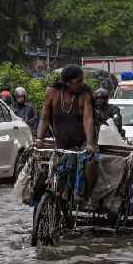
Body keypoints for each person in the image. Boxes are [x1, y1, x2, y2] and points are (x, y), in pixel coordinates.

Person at [35, 65, 97, 198]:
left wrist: (90, 144)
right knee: (44, 170)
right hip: (61, 144)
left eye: (82, 80)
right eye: (78, 81)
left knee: (91, 163)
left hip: (83, 143)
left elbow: (88, 119)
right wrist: (39, 139)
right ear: (67, 83)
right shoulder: (52, 92)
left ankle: (87, 196)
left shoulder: (85, 95)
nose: (82, 84)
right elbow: (44, 118)